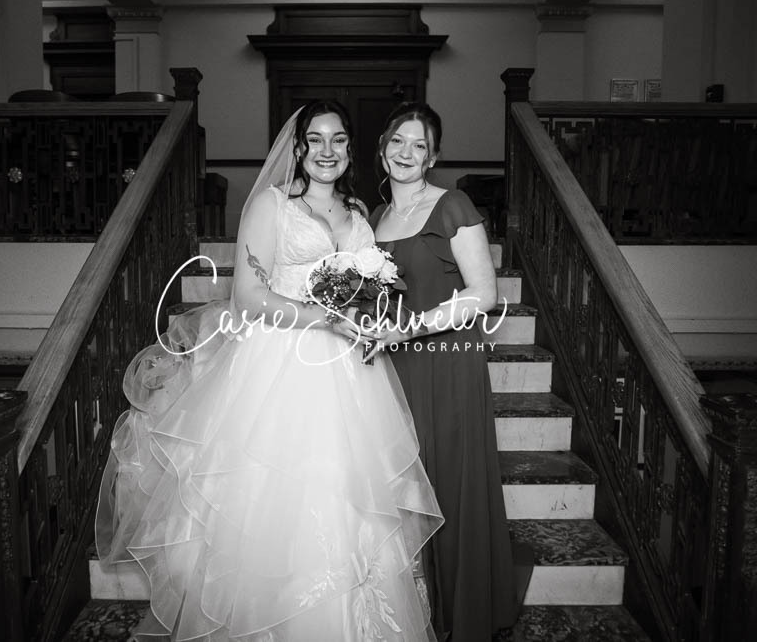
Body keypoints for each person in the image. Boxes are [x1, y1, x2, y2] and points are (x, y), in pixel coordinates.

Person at [95, 100, 443, 641]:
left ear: (350, 150)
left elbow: (365, 286)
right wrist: (326, 319)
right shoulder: (270, 205)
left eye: (338, 140)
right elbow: (249, 296)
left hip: (351, 373)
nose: (327, 150)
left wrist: (366, 318)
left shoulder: (358, 212)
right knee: (279, 496)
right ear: (298, 148)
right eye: (315, 139)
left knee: (347, 496)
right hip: (281, 363)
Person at [369, 102, 528, 642]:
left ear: (432, 157)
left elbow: (485, 294)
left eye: (419, 145)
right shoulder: (374, 218)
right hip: (392, 365)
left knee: (448, 482)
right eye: (397, 141)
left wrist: (410, 328)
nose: (406, 152)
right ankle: (416, 610)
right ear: (382, 149)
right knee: (404, 484)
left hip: (445, 362)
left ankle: (461, 613)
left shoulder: (452, 205)